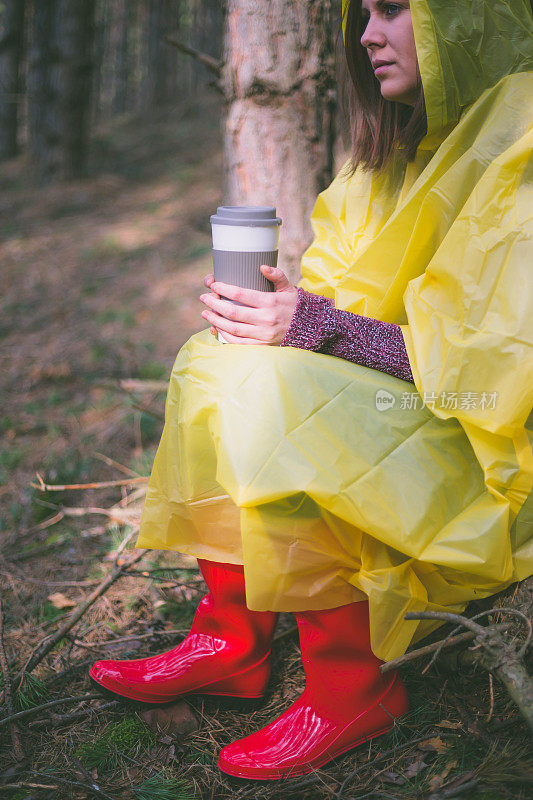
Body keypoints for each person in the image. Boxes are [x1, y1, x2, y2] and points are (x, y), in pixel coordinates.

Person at [89, 0, 533, 781]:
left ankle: (350, 687)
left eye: (395, 10)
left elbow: (498, 367)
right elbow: (344, 302)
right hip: (408, 409)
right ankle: (229, 640)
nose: (365, 36)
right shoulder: (393, 152)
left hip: (488, 443)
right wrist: (277, 314)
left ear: (464, 18)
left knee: (282, 397)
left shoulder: (521, 136)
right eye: (362, 13)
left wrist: (316, 329)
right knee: (214, 359)